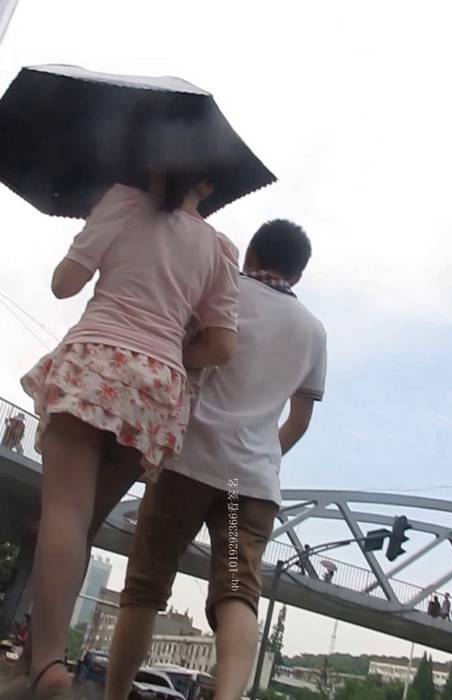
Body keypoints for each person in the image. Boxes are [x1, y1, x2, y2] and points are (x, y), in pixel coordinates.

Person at [4, 173, 239, 700]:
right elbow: (223, 347)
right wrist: (170, 348)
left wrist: (94, 236)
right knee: (83, 524)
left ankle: (47, 664)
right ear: (207, 184)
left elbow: (64, 283)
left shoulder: (123, 201)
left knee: (64, 514)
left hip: (96, 361)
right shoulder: (220, 249)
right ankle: (38, 661)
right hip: (159, 391)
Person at [103, 219, 327, 700]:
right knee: (237, 589)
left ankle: (115, 694)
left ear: (250, 254)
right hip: (245, 485)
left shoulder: (222, 290)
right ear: (298, 274)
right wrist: (262, 455)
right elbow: (300, 419)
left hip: (186, 464)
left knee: (146, 587)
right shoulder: (314, 331)